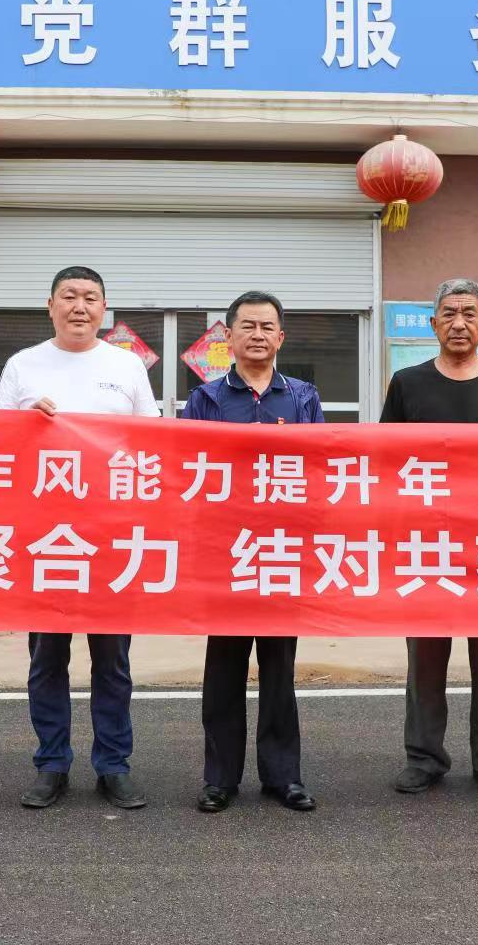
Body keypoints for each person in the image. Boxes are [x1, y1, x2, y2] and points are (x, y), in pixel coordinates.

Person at [0, 266, 160, 810]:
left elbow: (151, 443)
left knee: (113, 660)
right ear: (50, 306)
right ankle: (52, 764)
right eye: (69, 296)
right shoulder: (23, 365)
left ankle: (114, 765)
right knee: (47, 657)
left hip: (111, 538)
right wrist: (24, 421)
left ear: (104, 309)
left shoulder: (126, 365)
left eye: (90, 297)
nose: (79, 306)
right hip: (46, 537)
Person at [382, 278, 478, 796]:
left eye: (469, 313)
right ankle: (424, 757)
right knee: (426, 653)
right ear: (432, 324)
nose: (458, 323)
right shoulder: (407, 383)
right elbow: (385, 461)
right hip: (426, 542)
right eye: (448, 314)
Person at [181, 291, 321, 814]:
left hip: (283, 550)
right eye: (248, 326)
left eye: (267, 327)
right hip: (226, 552)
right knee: (224, 668)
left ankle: (284, 777)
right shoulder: (206, 399)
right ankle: (220, 778)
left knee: (280, 668)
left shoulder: (302, 397)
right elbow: (188, 470)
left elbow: (319, 469)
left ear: (280, 337)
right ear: (229, 336)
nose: (257, 335)